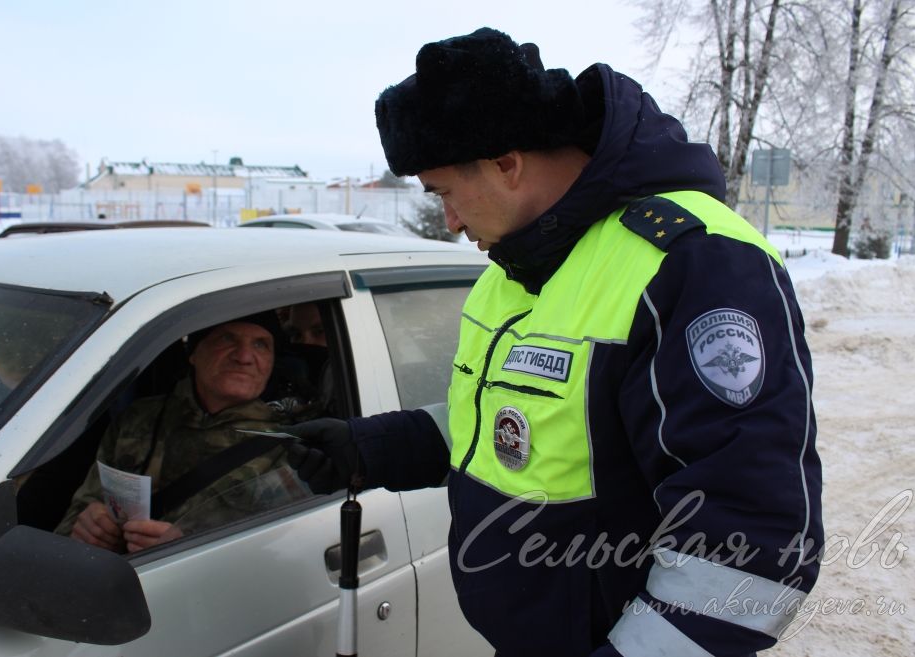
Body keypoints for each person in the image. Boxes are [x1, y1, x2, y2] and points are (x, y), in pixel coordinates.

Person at [286, 28, 823, 657]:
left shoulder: (691, 261)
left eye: (445, 194)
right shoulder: (518, 270)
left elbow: (751, 540)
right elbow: (519, 428)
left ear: (506, 163)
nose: (450, 222)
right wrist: (373, 448)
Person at [56, 312, 312, 553]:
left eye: (261, 345)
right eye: (227, 339)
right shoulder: (137, 419)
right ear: (193, 353)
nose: (244, 357)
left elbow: (284, 551)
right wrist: (88, 526)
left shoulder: (287, 444)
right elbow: (78, 513)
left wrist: (187, 548)